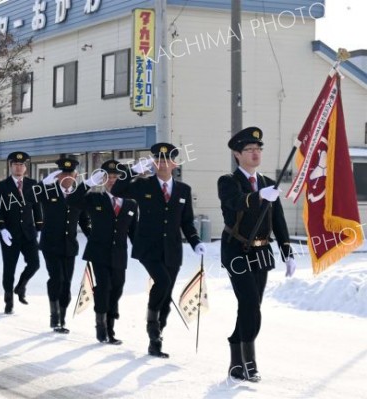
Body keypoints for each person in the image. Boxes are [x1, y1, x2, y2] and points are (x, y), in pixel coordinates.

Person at [111, 143, 206, 358]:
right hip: (148, 247)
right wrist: (132, 171)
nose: (162, 164)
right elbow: (117, 190)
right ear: (153, 162)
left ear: (174, 163)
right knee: (161, 282)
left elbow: (187, 221)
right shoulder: (143, 185)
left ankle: (157, 338)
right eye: (158, 160)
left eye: (166, 160)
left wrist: (195, 241)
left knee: (166, 295)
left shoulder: (183, 190)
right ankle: (152, 332)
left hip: (172, 250)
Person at [218, 127, 296, 382]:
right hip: (237, 250)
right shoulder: (228, 181)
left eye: (258, 149)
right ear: (237, 154)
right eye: (249, 150)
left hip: (262, 251)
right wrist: (258, 196)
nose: (255, 154)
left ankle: (236, 359)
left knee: (252, 307)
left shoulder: (267, 183)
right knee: (249, 303)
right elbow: (235, 202)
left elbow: (279, 220)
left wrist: (287, 251)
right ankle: (249, 362)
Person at [68, 160, 137, 344]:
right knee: (104, 286)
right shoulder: (95, 199)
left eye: (116, 177)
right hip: (99, 252)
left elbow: (134, 232)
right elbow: (72, 200)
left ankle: (110, 324)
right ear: (103, 180)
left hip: (119, 254)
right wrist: (88, 183)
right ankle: (103, 328)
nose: (113, 181)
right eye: (109, 177)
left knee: (117, 288)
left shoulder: (130, 204)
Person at [31, 157, 91, 333]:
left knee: (67, 284)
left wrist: (93, 237)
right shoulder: (48, 192)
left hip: (69, 246)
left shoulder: (79, 196)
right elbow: (29, 197)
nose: (67, 177)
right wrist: (43, 183)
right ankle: (54, 317)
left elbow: (84, 220)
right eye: (63, 174)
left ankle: (62, 318)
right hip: (50, 245)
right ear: (57, 176)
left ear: (75, 175)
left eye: (70, 173)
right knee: (57, 279)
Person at [0, 151, 43, 314]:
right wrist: (1, 229)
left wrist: (39, 227)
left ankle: (21, 286)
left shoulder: (32, 184)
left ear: (25, 167)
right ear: (11, 166)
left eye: (21, 164)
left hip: (29, 233)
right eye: (15, 164)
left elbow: (36, 207)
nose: (19, 167)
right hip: (10, 234)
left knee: (35, 264)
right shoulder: (2, 186)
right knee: (9, 269)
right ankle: (8, 301)